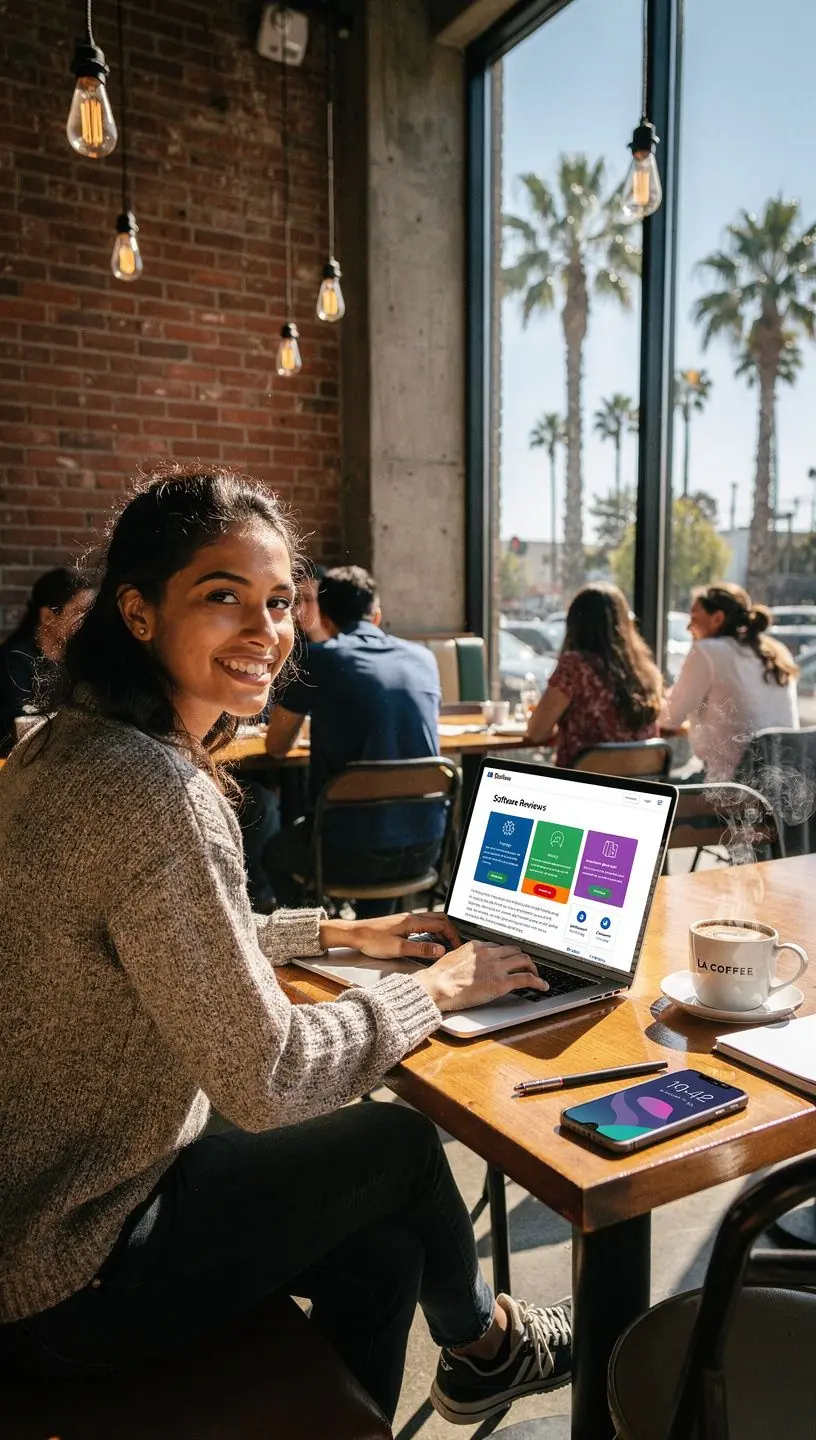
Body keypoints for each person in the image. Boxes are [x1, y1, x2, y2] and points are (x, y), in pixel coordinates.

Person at [0, 468, 571, 1429]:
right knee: (394, 1137)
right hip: (68, 1263)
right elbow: (267, 1078)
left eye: (275, 602)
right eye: (222, 596)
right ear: (138, 613)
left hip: (47, 1202)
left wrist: (335, 930)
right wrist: (434, 989)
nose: (265, 629)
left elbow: (163, 941)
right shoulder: (151, 791)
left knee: (387, 1244)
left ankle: (470, 1357)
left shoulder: (68, 744)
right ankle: (486, 1348)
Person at [263, 565, 447, 913]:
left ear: (325, 618)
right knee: (378, 833)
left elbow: (275, 746)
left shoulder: (319, 658)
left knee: (273, 853)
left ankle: (306, 944)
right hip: (426, 850)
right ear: (376, 615)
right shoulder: (425, 658)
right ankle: (371, 935)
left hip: (348, 855)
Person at [660, 582, 799, 780]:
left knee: (658, 791)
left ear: (717, 618)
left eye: (694, 617)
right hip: (783, 789)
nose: (688, 626)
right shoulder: (776, 651)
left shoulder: (708, 651)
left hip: (730, 788)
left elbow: (669, 718)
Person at [525, 582, 663, 768]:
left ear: (575, 624)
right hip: (640, 788)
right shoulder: (643, 669)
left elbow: (536, 732)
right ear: (623, 622)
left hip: (585, 790)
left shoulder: (575, 666)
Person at [0, 566, 92, 756]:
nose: (86, 621)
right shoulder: (14, 659)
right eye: (78, 612)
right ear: (47, 617)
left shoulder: (78, 659)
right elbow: (22, 726)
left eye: (88, 613)